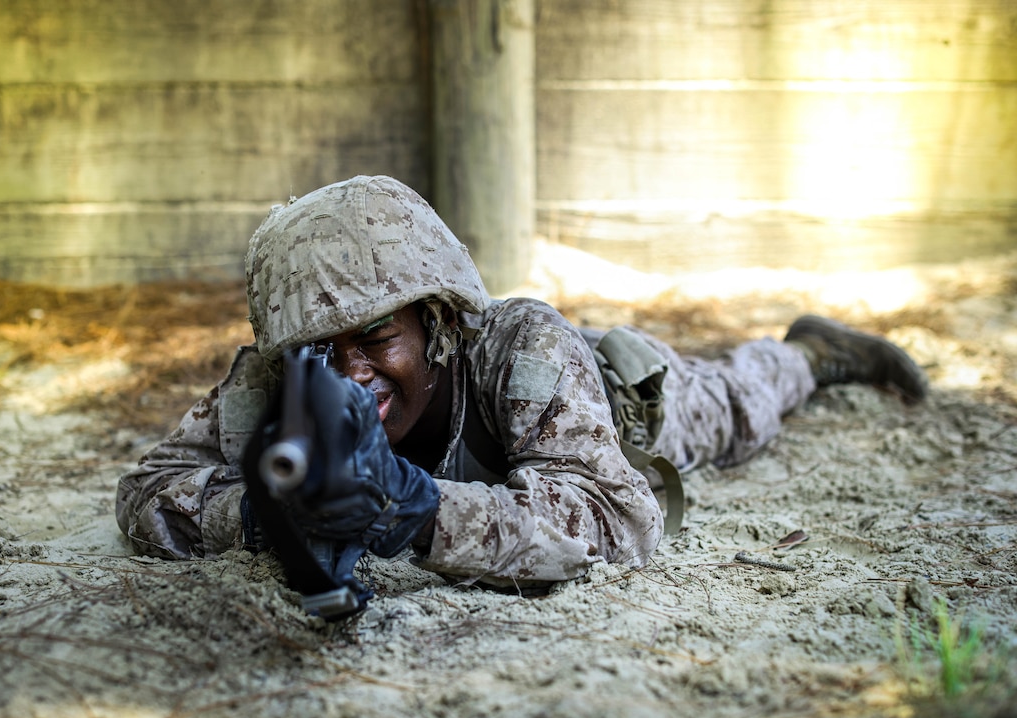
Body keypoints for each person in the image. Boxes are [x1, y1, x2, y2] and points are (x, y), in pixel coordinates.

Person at [116, 175, 927, 593]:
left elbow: (620, 518)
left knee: (745, 403)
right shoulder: (268, 383)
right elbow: (148, 489)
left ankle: (812, 354)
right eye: (320, 353)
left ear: (434, 323)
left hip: (624, 407)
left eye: (375, 338)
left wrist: (415, 506)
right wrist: (262, 516)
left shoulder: (519, 348)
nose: (351, 376)